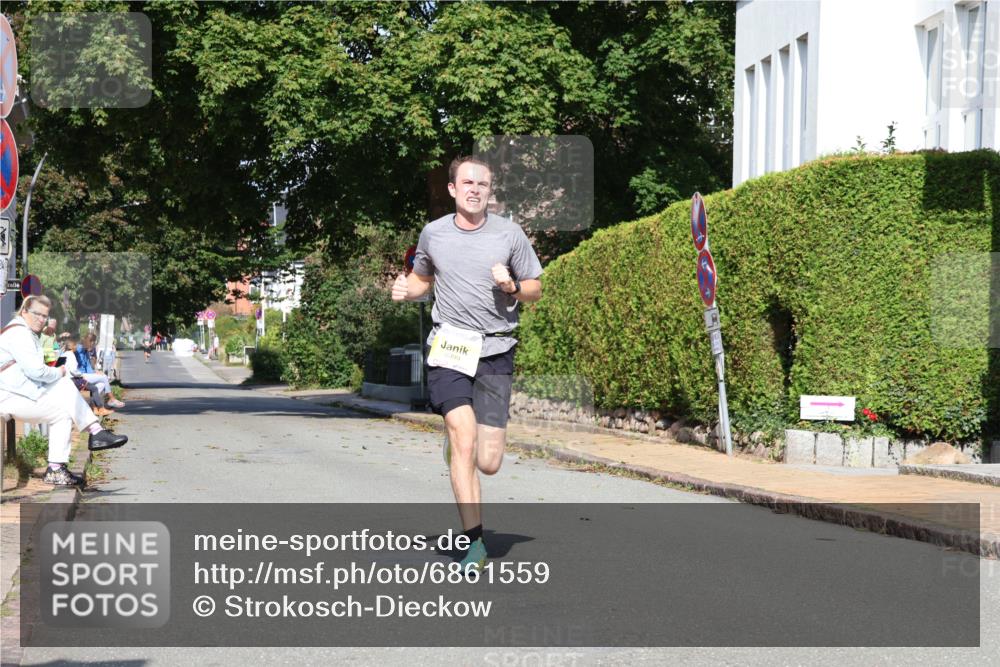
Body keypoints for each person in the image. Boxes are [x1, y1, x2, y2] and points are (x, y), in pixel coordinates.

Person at [391, 156, 543, 572]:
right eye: (468, 182)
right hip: (450, 347)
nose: (476, 188)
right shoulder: (434, 234)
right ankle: (474, 543)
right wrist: (408, 290)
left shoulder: (509, 234)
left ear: (490, 191)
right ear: (454, 190)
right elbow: (423, 279)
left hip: (495, 349)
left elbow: (535, 288)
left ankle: (461, 447)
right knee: (463, 436)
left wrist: (512, 286)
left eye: (484, 183)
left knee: (488, 461)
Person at [0, 296, 129, 486]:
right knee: (63, 382)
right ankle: (95, 431)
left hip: (17, 392)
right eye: (37, 314)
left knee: (62, 412)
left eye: (45, 316)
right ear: (24, 311)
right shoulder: (19, 333)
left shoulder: (25, 332)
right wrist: (58, 371)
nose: (41, 319)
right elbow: (36, 371)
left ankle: (56, 468)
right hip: (8, 396)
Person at [75, 333, 124, 409]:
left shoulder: (86, 351)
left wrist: (95, 372)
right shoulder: (78, 349)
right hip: (79, 376)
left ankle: (92, 405)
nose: (93, 346)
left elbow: (88, 367)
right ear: (90, 342)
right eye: (93, 343)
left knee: (101, 384)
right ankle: (111, 399)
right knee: (104, 377)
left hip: (86, 375)